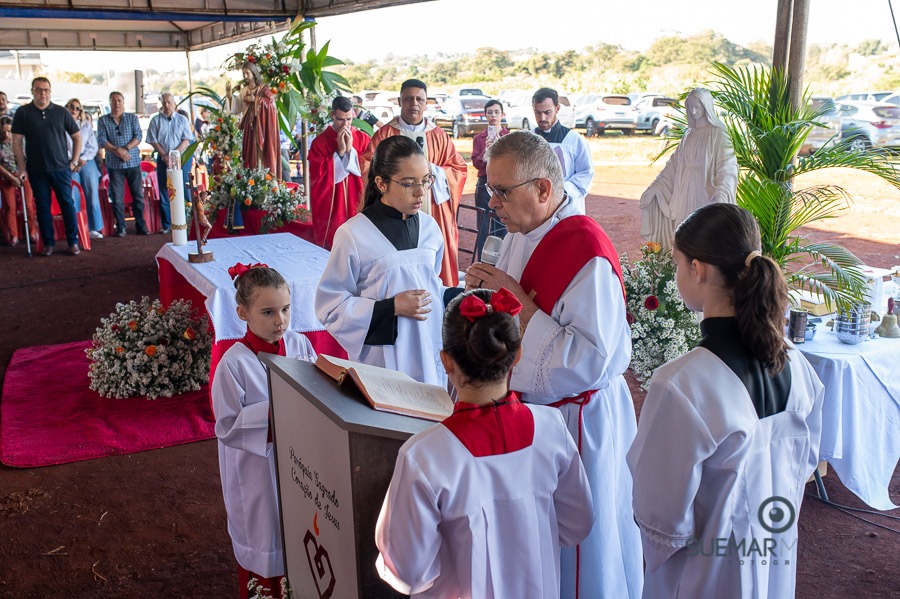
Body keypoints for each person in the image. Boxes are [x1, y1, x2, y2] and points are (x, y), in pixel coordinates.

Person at [465, 131, 643, 599]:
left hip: (576, 422)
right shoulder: (522, 233)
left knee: (581, 546)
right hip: (535, 415)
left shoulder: (587, 252)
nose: (492, 203)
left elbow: (592, 362)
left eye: (501, 191)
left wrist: (521, 309)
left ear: (543, 189)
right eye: (489, 190)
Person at [627, 203, 824, 599]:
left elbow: (660, 515)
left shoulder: (683, 383)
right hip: (772, 555)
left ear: (697, 269)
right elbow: (803, 462)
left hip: (705, 573)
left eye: (678, 264)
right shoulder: (799, 365)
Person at [375, 287, 595, 598]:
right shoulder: (552, 428)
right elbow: (577, 524)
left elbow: (406, 572)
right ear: (517, 355)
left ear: (447, 362)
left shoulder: (423, 456)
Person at [212, 263, 317, 599]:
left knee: (302, 531)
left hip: (298, 461)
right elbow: (227, 426)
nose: (280, 321)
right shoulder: (233, 364)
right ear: (243, 312)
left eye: (286, 309)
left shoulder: (300, 346)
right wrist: (279, 411)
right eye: (268, 312)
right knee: (268, 535)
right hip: (257, 471)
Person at [316, 136, 455, 387]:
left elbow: (430, 285)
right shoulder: (354, 234)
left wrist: (456, 296)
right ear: (381, 183)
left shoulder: (430, 228)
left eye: (425, 180)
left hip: (429, 350)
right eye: (409, 183)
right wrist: (390, 308)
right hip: (384, 361)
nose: (420, 192)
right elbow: (331, 306)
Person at [362, 79, 467, 286]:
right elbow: (368, 167)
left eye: (420, 99)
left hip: (432, 211)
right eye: (409, 98)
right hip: (394, 212)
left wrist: (433, 170)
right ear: (400, 101)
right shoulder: (384, 134)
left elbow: (458, 169)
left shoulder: (438, 136)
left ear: (426, 103)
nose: (414, 103)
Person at [640, 87, 738, 249]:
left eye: (697, 106)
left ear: (706, 106)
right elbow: (673, 165)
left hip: (704, 191)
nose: (693, 111)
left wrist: (721, 191)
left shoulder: (717, 133)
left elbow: (727, 165)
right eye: (690, 106)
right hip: (684, 189)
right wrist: (656, 186)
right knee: (684, 230)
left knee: (703, 232)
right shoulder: (689, 134)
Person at [11, 76, 82, 256]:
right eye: (38, 89)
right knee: (43, 207)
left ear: (50, 91)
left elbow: (77, 136)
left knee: (67, 204)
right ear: (32, 91)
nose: (43, 93)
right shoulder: (23, 112)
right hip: (36, 169)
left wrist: (73, 160)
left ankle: (73, 242)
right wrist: (22, 167)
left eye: (46, 90)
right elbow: (17, 141)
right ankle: (48, 243)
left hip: (61, 168)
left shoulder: (61, 112)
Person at [308, 96, 371, 250]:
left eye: (349, 119)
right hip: (333, 205)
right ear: (332, 116)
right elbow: (318, 177)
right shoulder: (320, 142)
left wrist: (351, 152)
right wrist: (341, 153)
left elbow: (371, 167)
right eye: (341, 120)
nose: (346, 125)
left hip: (357, 199)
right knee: (335, 246)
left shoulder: (363, 139)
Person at [531, 87, 594, 215]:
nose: (542, 118)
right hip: (537, 205)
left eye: (547, 112)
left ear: (557, 108)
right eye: (537, 113)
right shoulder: (529, 139)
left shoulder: (574, 140)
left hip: (566, 205)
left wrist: (563, 190)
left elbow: (586, 173)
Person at [97, 91, 149, 237]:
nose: (117, 103)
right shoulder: (103, 120)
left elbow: (138, 136)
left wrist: (126, 149)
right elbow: (101, 140)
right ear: (110, 103)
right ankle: (121, 227)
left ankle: (141, 225)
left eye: (119, 100)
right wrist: (116, 151)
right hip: (114, 165)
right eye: (113, 100)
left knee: (138, 196)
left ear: (123, 102)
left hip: (132, 162)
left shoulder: (132, 118)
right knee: (117, 198)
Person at [147, 93, 195, 235]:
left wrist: (174, 155)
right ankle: (167, 224)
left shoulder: (182, 120)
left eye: (169, 102)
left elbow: (187, 140)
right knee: (164, 190)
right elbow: (153, 140)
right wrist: (164, 155)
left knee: (185, 188)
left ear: (175, 104)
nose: (167, 105)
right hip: (163, 160)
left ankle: (189, 220)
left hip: (182, 159)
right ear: (161, 104)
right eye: (164, 103)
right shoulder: (155, 120)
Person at [470, 99, 509, 260]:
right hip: (484, 183)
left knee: (504, 221)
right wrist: (486, 152)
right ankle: (483, 262)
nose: (493, 115)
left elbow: (511, 162)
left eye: (496, 112)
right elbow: (476, 163)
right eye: (490, 112)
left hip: (504, 185)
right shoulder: (479, 138)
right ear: (485, 115)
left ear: (502, 114)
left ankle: (504, 261)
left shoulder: (508, 137)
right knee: (484, 225)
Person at [66, 98, 103, 239]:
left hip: (86, 159)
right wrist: (74, 159)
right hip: (69, 160)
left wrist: (84, 158)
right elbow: (61, 147)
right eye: (71, 107)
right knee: (74, 195)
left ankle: (94, 227)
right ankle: (76, 228)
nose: (74, 110)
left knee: (92, 193)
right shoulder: (60, 126)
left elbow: (93, 146)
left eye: (77, 108)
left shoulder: (85, 125)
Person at [239, 61, 281, 180]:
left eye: (247, 73)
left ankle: (263, 180)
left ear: (253, 73)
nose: (245, 76)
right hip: (250, 129)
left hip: (263, 129)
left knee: (260, 157)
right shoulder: (244, 90)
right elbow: (237, 107)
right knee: (249, 156)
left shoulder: (264, 89)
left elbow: (272, 106)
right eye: (244, 74)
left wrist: (256, 99)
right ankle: (252, 181)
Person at [0, 115, 37, 247]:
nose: (6, 133)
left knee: (28, 205)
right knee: (10, 207)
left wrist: (22, 172)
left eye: (9, 130)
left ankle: (32, 232)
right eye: (3, 130)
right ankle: (13, 235)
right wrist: (11, 177)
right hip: (6, 176)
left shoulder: (19, 142)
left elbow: (26, 158)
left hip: (22, 174)